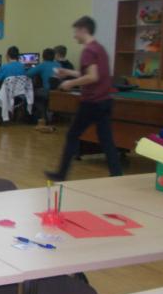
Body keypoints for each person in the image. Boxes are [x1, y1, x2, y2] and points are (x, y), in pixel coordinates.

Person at [46, 16, 122, 180]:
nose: (74, 36)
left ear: (83, 30)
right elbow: (90, 73)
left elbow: (92, 77)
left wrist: (70, 83)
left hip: (92, 102)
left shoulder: (88, 50)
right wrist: (68, 72)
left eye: (76, 31)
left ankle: (61, 174)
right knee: (106, 140)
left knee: (72, 135)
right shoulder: (99, 48)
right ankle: (117, 174)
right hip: (105, 100)